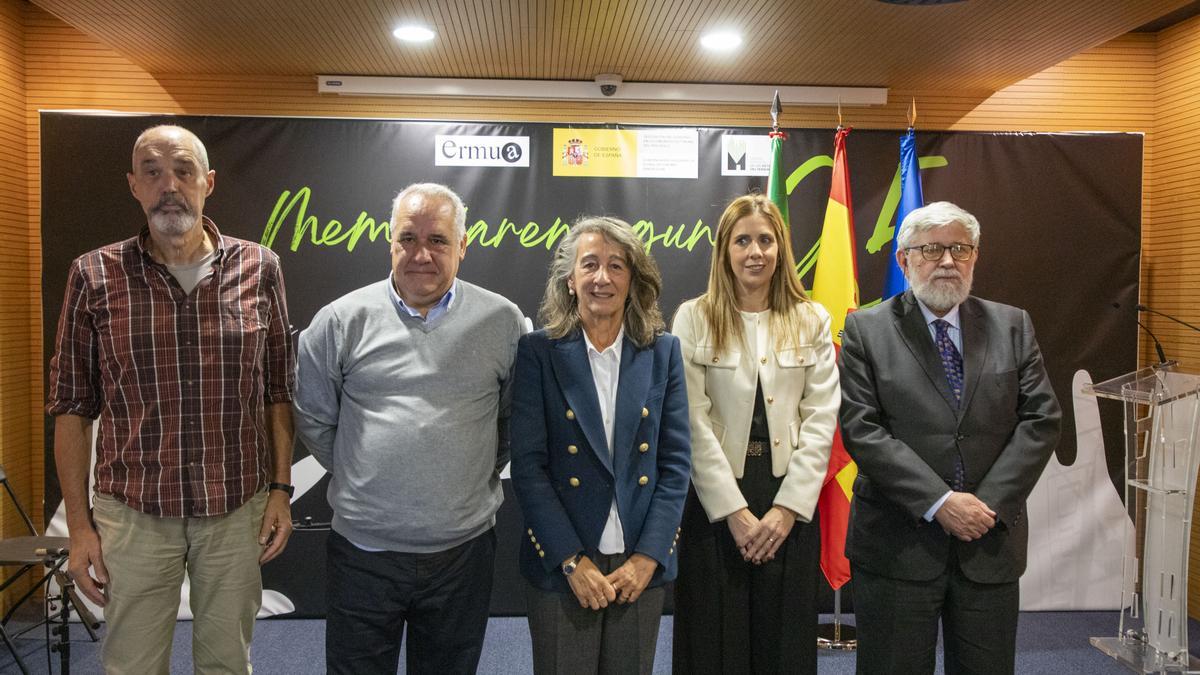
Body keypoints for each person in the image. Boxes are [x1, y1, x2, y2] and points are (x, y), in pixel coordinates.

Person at [47, 125, 296, 674]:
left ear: (207, 182)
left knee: (227, 663)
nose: (169, 185)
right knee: (131, 664)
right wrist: (81, 529)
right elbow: (71, 406)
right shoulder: (93, 275)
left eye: (183, 170)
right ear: (133, 185)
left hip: (234, 506)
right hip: (132, 509)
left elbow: (278, 390)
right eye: (153, 171)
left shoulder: (261, 268)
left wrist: (280, 489)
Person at [293, 182, 525, 675]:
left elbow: (509, 421)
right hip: (363, 551)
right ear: (390, 242)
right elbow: (314, 417)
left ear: (463, 246)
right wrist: (367, 472)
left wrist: (464, 470)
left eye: (438, 240)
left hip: (462, 553)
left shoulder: (503, 322)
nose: (422, 253)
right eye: (408, 238)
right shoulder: (340, 320)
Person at [838, 201, 1062, 674]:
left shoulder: (1012, 325)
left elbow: (1041, 419)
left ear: (975, 256)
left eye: (959, 249)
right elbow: (863, 428)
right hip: (897, 547)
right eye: (931, 249)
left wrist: (987, 504)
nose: (946, 261)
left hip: (988, 542)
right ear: (904, 260)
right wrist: (941, 502)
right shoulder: (867, 329)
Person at [509, 215, 691, 674]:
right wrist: (573, 562)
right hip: (564, 565)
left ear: (633, 280)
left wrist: (650, 556)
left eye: (616, 266)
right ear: (570, 281)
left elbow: (674, 465)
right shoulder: (538, 352)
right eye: (590, 265)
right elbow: (529, 468)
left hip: (638, 566)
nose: (602, 278)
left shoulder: (662, 352)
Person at [670, 194, 839, 674]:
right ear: (724, 249)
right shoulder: (693, 317)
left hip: (789, 497)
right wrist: (734, 513)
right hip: (715, 500)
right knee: (711, 640)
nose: (755, 251)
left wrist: (787, 510)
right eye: (742, 240)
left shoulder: (812, 319)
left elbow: (822, 418)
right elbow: (691, 420)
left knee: (783, 640)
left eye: (766, 240)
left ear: (781, 248)